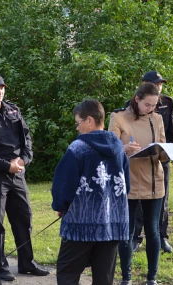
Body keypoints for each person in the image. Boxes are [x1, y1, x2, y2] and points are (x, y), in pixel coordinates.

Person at [0, 73, 50, 281]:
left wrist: (23, 160)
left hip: (17, 172)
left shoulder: (13, 110)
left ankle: (27, 262)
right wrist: (7, 166)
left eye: (2, 88)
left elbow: (26, 138)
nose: (0, 91)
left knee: (24, 218)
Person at [51, 99, 131, 285]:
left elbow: (63, 185)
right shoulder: (119, 147)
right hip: (113, 223)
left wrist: (61, 206)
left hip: (81, 223)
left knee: (67, 274)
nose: (77, 128)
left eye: (78, 123)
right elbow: (126, 184)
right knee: (104, 278)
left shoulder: (78, 148)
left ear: (89, 120)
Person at [109, 83, 169, 285]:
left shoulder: (158, 119)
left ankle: (152, 278)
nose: (151, 108)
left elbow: (161, 149)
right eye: (147, 104)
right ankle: (126, 278)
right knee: (127, 232)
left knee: (153, 230)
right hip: (128, 182)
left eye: (154, 105)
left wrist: (169, 154)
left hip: (154, 182)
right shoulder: (118, 118)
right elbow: (109, 150)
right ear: (137, 99)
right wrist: (124, 148)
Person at [131, 71, 173, 254]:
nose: (159, 87)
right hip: (140, 160)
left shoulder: (167, 103)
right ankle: (136, 238)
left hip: (161, 159)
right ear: (144, 84)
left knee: (162, 200)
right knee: (137, 200)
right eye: (155, 83)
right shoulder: (133, 105)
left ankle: (162, 237)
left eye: (161, 84)